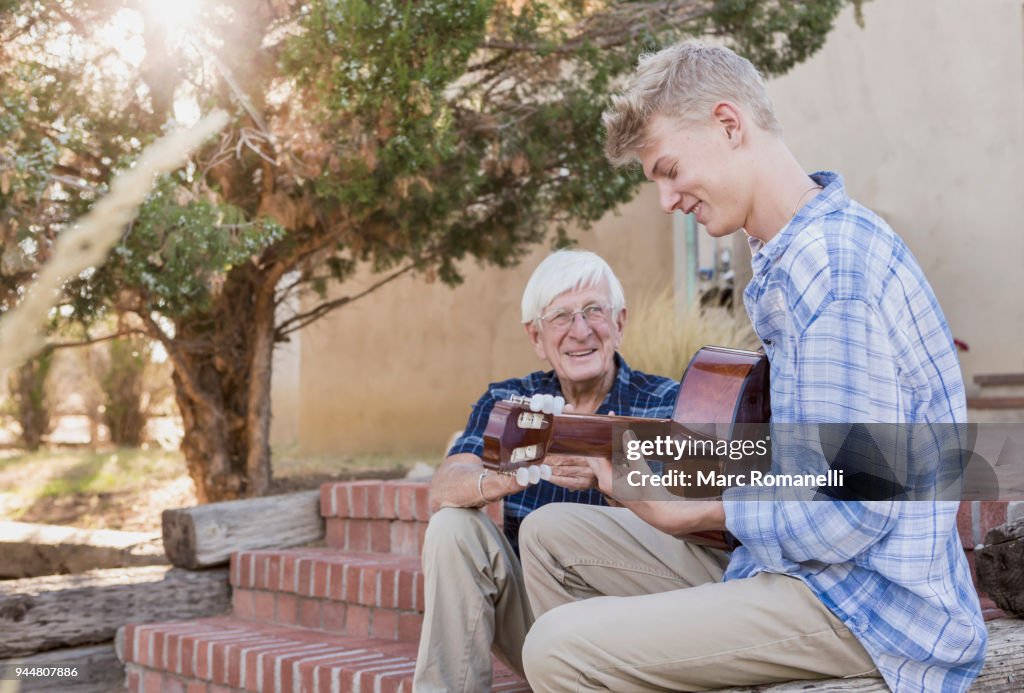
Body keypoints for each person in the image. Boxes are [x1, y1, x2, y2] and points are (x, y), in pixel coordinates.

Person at [519, 42, 987, 692]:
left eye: (669, 168)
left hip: (865, 607)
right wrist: (653, 469)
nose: (665, 199)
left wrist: (691, 510)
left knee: (556, 648)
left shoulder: (831, 268)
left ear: (729, 125)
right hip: (792, 570)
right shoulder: (789, 256)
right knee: (550, 534)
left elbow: (852, 507)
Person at [412, 249, 681, 692]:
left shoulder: (665, 403)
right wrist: (509, 476)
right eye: (560, 317)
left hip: (630, 628)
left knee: (548, 523)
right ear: (536, 336)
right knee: (452, 527)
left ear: (620, 322)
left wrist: (606, 474)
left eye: (594, 310)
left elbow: (687, 526)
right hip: (536, 626)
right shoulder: (510, 401)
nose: (580, 331)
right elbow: (445, 487)